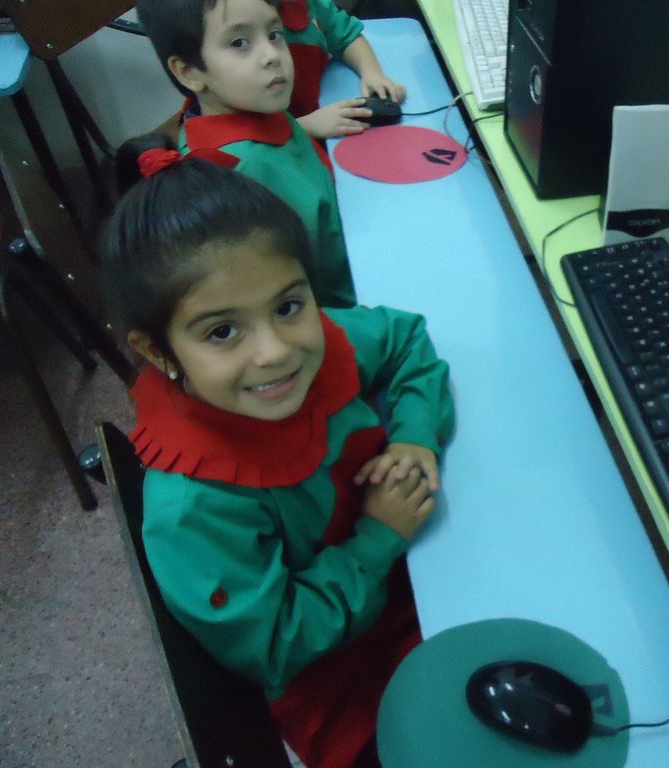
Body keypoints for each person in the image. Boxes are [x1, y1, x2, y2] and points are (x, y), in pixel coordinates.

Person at [99, 147, 455, 768]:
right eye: (222, 332)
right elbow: (275, 644)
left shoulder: (320, 345)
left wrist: (414, 437)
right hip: (351, 687)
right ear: (157, 352)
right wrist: (377, 539)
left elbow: (405, 338)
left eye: (289, 306)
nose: (275, 352)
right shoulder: (193, 506)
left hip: (427, 577)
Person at [135, 0, 388, 307]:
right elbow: (294, 297)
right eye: (239, 43)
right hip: (351, 300)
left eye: (274, 34)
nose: (272, 56)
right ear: (189, 72)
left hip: (355, 251)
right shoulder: (240, 173)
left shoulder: (257, 108)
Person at [278, 0, 407, 138]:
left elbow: (344, 35)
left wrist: (371, 72)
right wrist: (305, 126)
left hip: (318, 112)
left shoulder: (309, 5)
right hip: (284, 141)